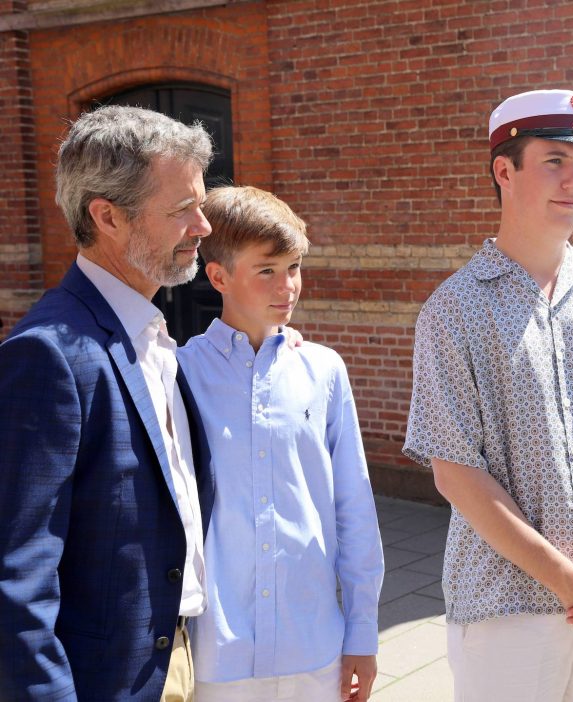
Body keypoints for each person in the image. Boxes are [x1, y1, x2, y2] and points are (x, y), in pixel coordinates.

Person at [403, 88, 573, 701]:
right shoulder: (454, 310)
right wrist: (564, 578)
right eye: (554, 161)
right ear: (504, 170)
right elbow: (455, 472)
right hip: (505, 612)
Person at [0, 105, 215, 700]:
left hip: (176, 660)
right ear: (107, 216)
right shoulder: (49, 355)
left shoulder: (152, 335)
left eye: (200, 203)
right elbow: (17, 578)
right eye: (181, 211)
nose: (202, 226)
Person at [176, 185, 384, 702]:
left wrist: (362, 630)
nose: (287, 286)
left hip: (313, 644)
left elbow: (353, 507)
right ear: (218, 276)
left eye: (293, 267)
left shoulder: (323, 370)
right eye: (266, 270)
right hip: (219, 652)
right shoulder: (178, 373)